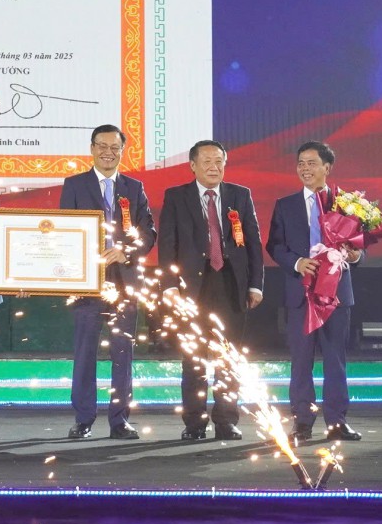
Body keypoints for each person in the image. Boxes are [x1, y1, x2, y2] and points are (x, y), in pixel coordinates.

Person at [157, 139, 264, 441]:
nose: (214, 167)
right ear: (193, 165)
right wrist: (169, 285)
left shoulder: (240, 195)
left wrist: (255, 284)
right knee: (194, 358)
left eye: (219, 161)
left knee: (228, 358)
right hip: (191, 288)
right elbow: (167, 244)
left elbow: (253, 243)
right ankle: (194, 423)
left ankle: (227, 421)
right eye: (206, 161)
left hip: (231, 285)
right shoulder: (176, 196)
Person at [60, 124, 154, 440]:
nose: (108, 152)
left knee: (122, 353)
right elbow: (64, 230)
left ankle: (120, 420)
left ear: (122, 151)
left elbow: (149, 233)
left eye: (115, 147)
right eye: (102, 146)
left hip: (125, 282)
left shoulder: (134, 188)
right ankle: (83, 419)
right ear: (91, 148)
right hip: (86, 283)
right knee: (85, 352)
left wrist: (126, 251)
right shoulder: (74, 185)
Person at [266, 140, 363, 446]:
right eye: (301, 163)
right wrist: (297, 263)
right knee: (301, 361)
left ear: (327, 167)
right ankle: (302, 423)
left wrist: (355, 255)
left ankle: (337, 422)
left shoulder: (346, 205)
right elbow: (275, 246)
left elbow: (359, 246)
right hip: (301, 294)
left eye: (311, 163)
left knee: (336, 360)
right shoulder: (285, 205)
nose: (305, 169)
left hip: (335, 295)